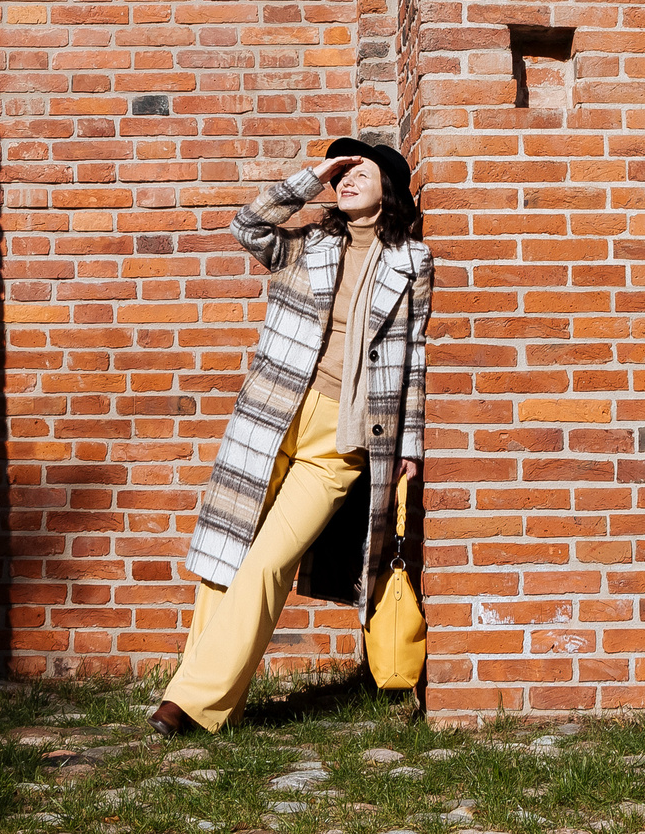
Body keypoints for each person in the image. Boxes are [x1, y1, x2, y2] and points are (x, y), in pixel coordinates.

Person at [149, 138, 433, 736]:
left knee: (269, 562)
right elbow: (247, 225)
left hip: (343, 434)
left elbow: (414, 352)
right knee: (227, 554)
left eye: (361, 171)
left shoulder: (412, 261)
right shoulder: (306, 244)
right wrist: (312, 177)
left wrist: (409, 440)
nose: (347, 179)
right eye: (342, 172)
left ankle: (189, 702)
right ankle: (203, 699)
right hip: (274, 413)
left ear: (390, 187)